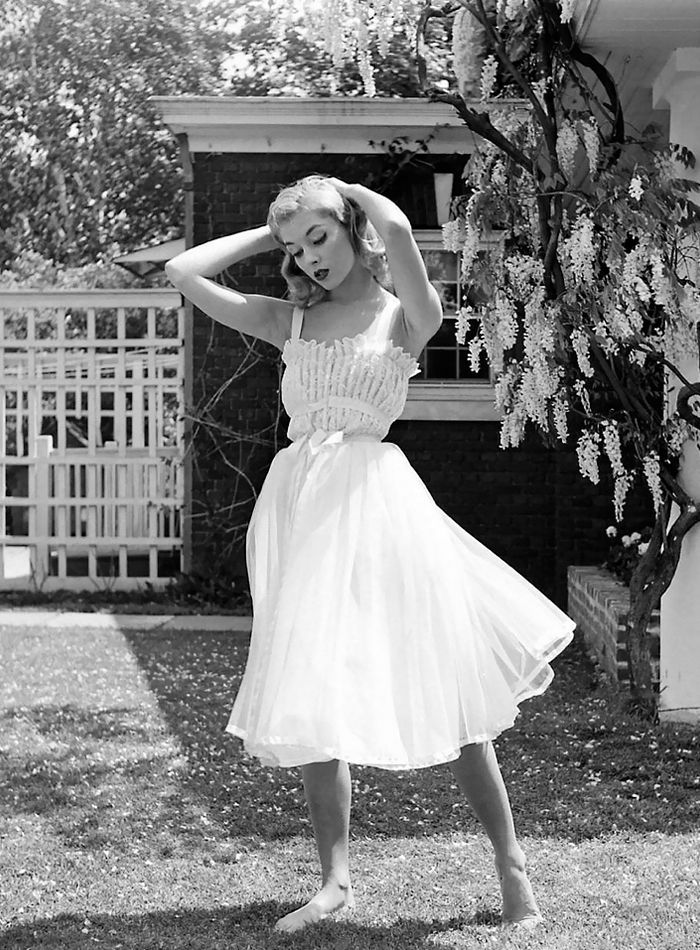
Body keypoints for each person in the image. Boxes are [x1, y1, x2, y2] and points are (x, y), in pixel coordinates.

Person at [165, 175, 576, 935]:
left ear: (352, 228)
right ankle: (335, 882)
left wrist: (348, 192)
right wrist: (272, 229)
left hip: (378, 509)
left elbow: (399, 233)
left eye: (319, 238)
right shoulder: (290, 319)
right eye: (296, 250)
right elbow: (183, 273)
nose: (309, 258)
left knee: (447, 684)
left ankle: (512, 865)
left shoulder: (405, 317)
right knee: (313, 683)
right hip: (301, 511)